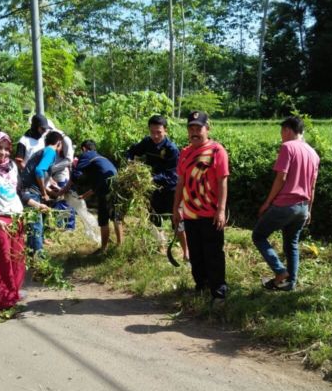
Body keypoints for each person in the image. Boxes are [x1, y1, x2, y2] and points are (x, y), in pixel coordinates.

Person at [0, 131, 48, 313]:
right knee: (1, 262)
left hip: (18, 218)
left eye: (7, 149)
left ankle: (12, 294)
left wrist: (36, 204)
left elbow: (20, 193)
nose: (3, 153)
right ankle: (2, 303)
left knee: (18, 260)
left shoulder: (12, 166)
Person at [252, 117, 320, 291]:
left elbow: (281, 177)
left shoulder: (287, 147)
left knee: (258, 236)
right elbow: (312, 186)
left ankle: (280, 271)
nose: (281, 135)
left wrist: (267, 202)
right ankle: (291, 283)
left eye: (282, 131)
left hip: (285, 205)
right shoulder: (313, 153)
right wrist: (309, 210)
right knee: (292, 243)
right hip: (303, 206)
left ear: (288, 130)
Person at [172, 111, 229, 306]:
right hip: (189, 214)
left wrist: (221, 210)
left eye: (199, 128)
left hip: (211, 214)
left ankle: (219, 293)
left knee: (213, 254)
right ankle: (201, 287)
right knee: (196, 254)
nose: (194, 132)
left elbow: (222, 182)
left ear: (207, 128)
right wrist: (176, 208)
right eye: (191, 128)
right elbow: (180, 183)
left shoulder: (216, 151)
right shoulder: (185, 152)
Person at [126, 115, 188, 261]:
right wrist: (129, 161)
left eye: (158, 132)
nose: (155, 135)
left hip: (171, 190)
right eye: (152, 132)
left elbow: (172, 175)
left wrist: (151, 178)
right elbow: (132, 151)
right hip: (154, 189)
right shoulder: (147, 142)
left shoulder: (171, 149)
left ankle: (185, 251)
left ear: (165, 130)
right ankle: (160, 245)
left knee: (177, 221)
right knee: (153, 218)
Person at [69, 140, 123, 253]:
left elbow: (76, 174)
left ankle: (103, 249)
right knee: (116, 217)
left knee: (103, 219)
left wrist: (65, 188)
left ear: (84, 148)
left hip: (105, 190)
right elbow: (98, 183)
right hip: (116, 187)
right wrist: (84, 195)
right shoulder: (101, 158)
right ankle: (120, 245)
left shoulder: (86, 155)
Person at [20, 130, 64, 255]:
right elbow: (39, 171)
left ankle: (31, 256)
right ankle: (39, 258)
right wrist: (44, 192)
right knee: (36, 225)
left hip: (26, 190)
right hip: (31, 192)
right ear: (59, 143)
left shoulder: (42, 151)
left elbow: (41, 172)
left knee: (32, 226)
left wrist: (50, 184)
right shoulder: (50, 151)